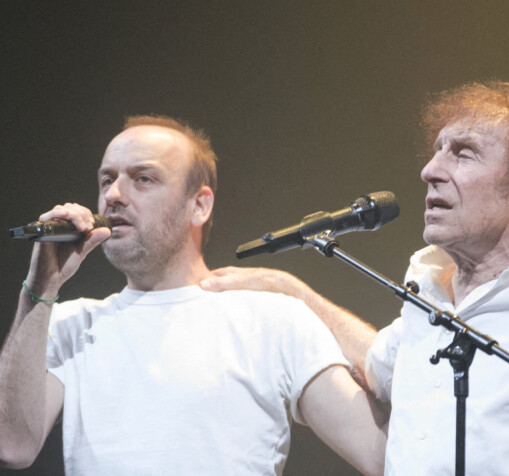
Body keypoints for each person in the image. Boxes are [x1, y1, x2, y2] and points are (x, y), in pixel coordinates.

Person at [201, 81, 509, 475]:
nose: (430, 171)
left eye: (463, 154)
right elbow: (377, 362)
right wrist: (292, 292)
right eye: (436, 151)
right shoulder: (427, 297)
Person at [0, 115, 387, 475]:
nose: (113, 195)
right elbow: (13, 445)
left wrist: (303, 296)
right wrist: (41, 288)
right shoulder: (69, 324)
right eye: (106, 180)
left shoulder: (272, 318)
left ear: (199, 205)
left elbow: (381, 455)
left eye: (143, 179)